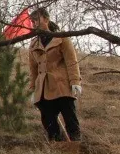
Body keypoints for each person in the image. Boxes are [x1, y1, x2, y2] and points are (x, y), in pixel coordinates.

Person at [28, 8, 83, 142]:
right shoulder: (34, 44)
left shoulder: (62, 38)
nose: (34, 24)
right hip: (43, 89)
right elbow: (33, 69)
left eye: (36, 20)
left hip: (61, 86)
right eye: (32, 21)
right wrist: (33, 89)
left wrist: (75, 81)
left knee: (70, 119)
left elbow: (71, 61)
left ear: (46, 19)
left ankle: (75, 147)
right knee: (49, 123)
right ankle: (56, 147)